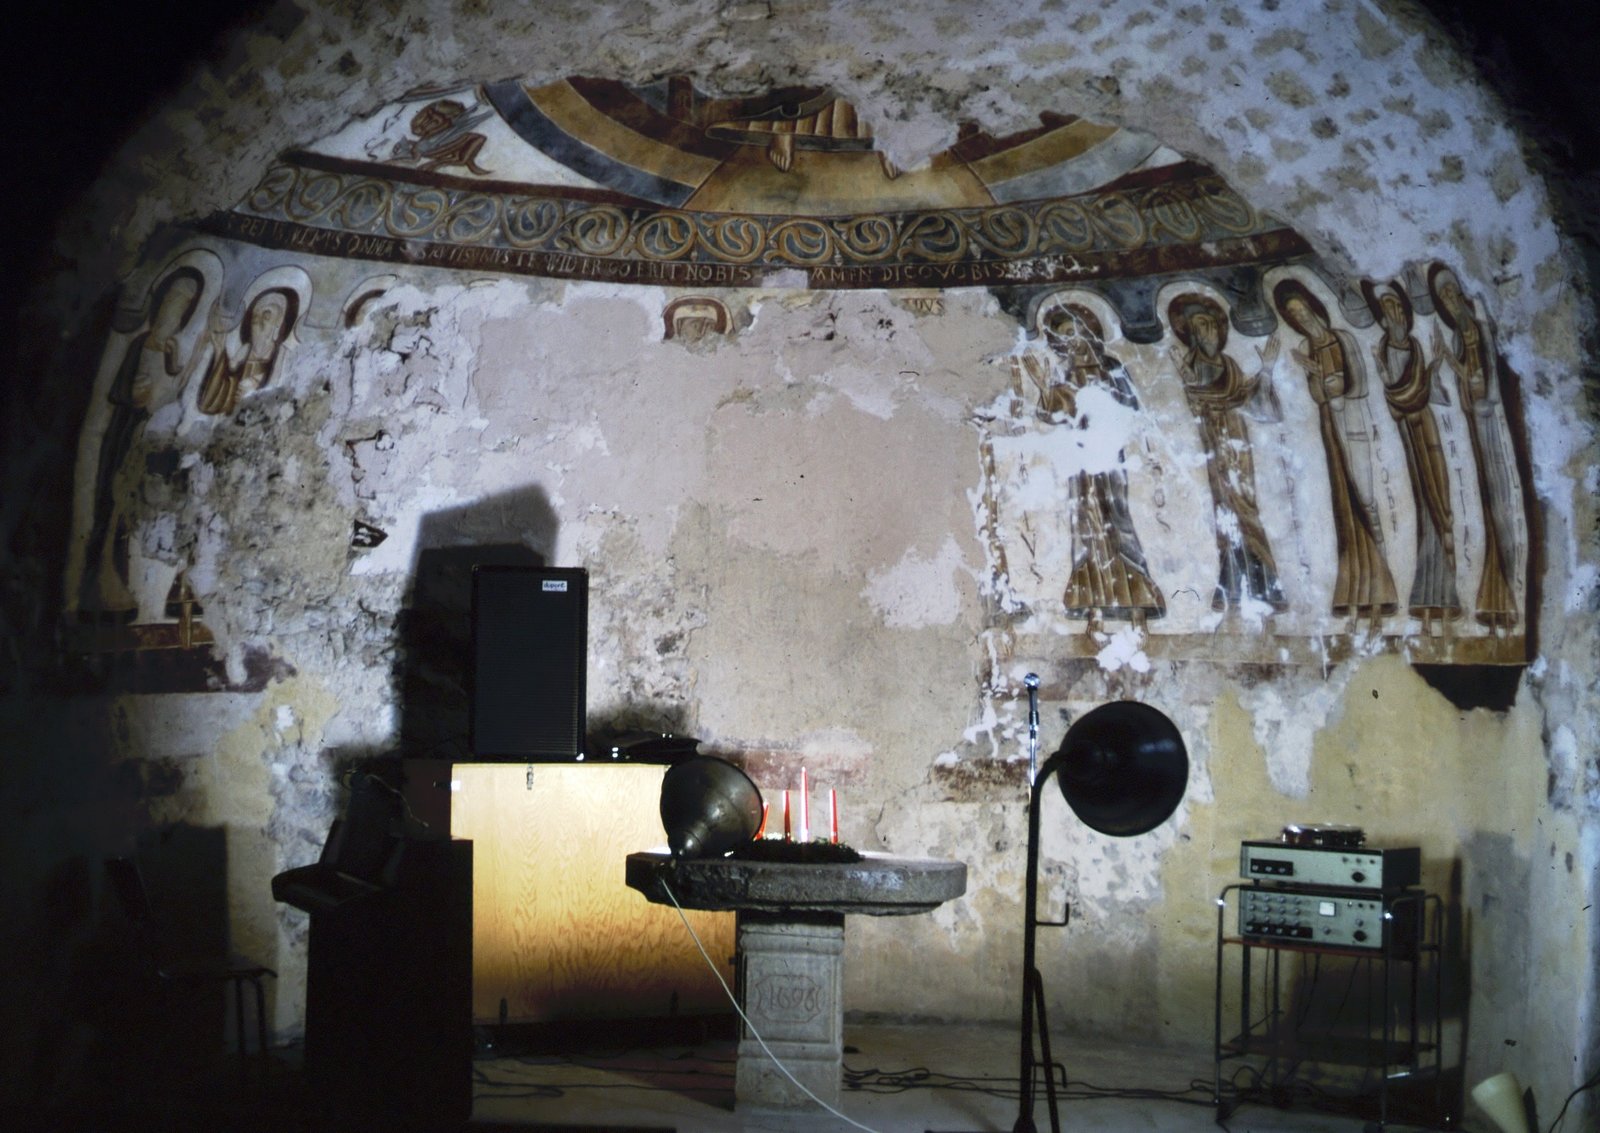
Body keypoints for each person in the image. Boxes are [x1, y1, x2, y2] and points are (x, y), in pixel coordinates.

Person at [1026, 303, 1165, 626]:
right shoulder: (1064, 374)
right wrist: (1045, 388)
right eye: (1064, 336)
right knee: (1086, 523)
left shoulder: (1111, 367)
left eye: (1074, 332)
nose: (1071, 341)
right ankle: (1093, 606)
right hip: (1080, 462)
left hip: (1109, 457)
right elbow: (1052, 414)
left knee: (1116, 519)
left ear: (1088, 331)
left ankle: (1137, 602)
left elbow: (1130, 407)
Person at [78, 267, 206, 617]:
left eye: (181, 308)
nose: (173, 314)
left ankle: (142, 595)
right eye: (170, 304)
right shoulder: (140, 345)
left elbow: (180, 397)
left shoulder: (176, 352)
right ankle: (106, 588)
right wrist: (134, 395)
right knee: (118, 513)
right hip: (128, 439)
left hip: (155, 444)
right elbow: (120, 394)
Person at [1271, 279, 1397, 623]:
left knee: (1366, 499)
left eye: (1302, 310)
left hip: (1352, 422)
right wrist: (1316, 375)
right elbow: (1318, 396)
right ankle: (1355, 590)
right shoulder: (1306, 348)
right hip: (1330, 427)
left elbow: (1359, 383)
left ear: (1313, 307)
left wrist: (1335, 384)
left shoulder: (1343, 339)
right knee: (1344, 505)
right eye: (1294, 315)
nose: (1301, 317)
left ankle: (1384, 586)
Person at [1167, 293, 1286, 614]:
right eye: (1200, 328)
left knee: (1248, 507)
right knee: (1228, 511)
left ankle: (1265, 585)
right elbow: (1197, 402)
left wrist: (1267, 370)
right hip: (1217, 446)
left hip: (1238, 442)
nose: (1208, 333)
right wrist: (1189, 382)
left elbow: (1252, 400)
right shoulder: (1193, 367)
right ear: (1192, 335)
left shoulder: (1230, 365)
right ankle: (1234, 585)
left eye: (1210, 325)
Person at [1361, 278, 1459, 631]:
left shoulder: (1416, 347)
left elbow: (1421, 389)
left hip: (1426, 424)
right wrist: (1389, 376)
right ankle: (1426, 599)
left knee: (1441, 498)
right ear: (1383, 320)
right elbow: (1395, 392)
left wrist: (1434, 367)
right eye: (1390, 311)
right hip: (1409, 428)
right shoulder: (1385, 349)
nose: (1397, 315)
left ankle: (1447, 596)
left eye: (1399, 309)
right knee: (1423, 500)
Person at [1427, 263, 1518, 629]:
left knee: (1501, 498)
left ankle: (1508, 589)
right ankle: (1493, 593)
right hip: (1474, 419)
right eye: (1444, 299)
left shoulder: (1480, 328)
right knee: (1486, 499)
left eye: (1452, 294)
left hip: (1490, 419)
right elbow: (1466, 379)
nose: (1450, 302)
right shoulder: (1455, 338)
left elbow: (1489, 372)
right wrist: (1451, 364)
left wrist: (1486, 396)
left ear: (1462, 295)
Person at [197, 287, 298, 416]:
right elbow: (223, 387)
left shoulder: (282, 355)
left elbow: (275, 391)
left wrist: (255, 391)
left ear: (278, 324)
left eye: (267, 316)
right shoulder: (245, 350)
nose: (258, 321)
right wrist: (219, 352)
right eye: (255, 316)